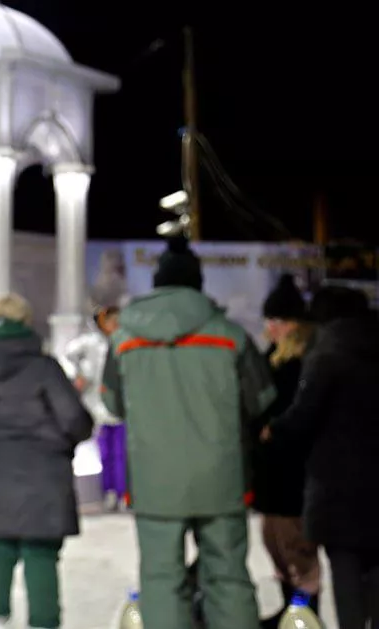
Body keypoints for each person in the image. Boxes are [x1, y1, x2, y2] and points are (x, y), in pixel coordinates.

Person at [101, 234, 276, 629]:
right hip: (221, 476)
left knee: (162, 580)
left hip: (154, 480)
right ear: (198, 284)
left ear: (158, 284)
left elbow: (113, 405)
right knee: (228, 576)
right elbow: (261, 400)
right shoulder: (230, 335)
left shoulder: (124, 340)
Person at [0, 293, 94, 629]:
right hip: (44, 475)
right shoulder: (44, 368)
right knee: (41, 553)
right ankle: (43, 623)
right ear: (27, 323)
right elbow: (74, 419)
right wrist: (58, 445)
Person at [264, 285, 379, 629]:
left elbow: (305, 415)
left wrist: (274, 431)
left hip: (338, 486)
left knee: (345, 571)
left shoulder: (328, 352)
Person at [252, 273, 320, 627]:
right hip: (273, 477)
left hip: (294, 478)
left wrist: (272, 428)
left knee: (296, 548)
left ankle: (306, 615)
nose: (270, 327)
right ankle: (290, 610)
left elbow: (300, 416)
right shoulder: (273, 359)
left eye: (276, 321)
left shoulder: (307, 362)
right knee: (276, 543)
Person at [58, 296, 127, 512]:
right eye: (110, 320)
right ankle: (108, 492)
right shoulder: (90, 343)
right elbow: (68, 355)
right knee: (106, 454)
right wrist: (80, 375)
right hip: (99, 407)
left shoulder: (124, 341)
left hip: (123, 408)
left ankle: (124, 493)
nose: (113, 324)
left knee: (123, 454)